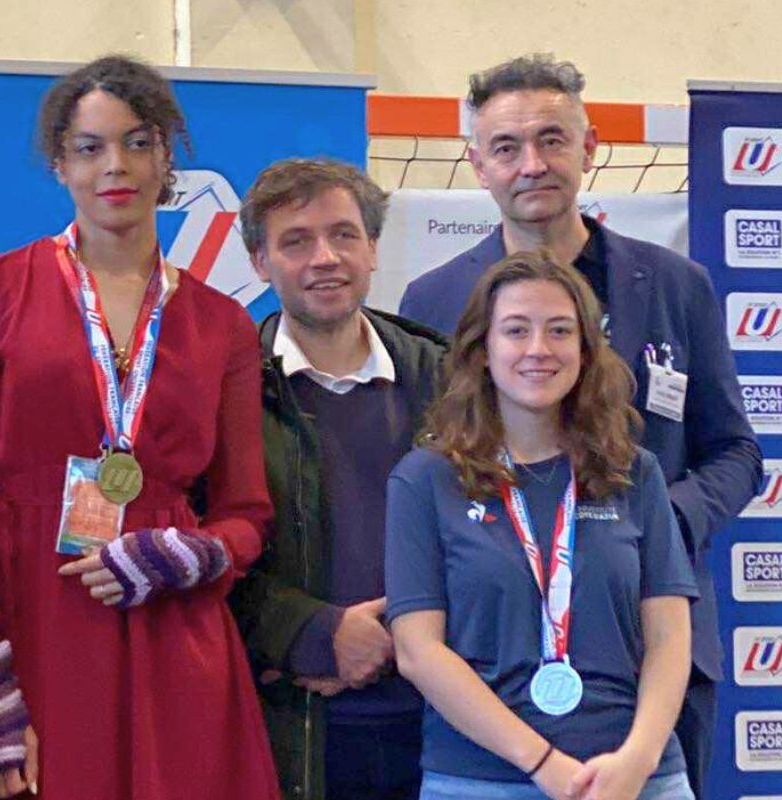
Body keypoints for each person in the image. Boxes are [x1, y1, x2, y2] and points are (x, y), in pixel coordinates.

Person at [397, 54, 761, 796]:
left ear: (589, 148)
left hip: (656, 658)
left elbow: (736, 452)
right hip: (495, 674)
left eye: (552, 139)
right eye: (507, 147)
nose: (532, 164)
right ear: (478, 165)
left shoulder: (676, 285)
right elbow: (435, 470)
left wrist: (654, 522)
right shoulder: (432, 300)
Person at [0, 55, 279, 800]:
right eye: (90, 148)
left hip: (171, 621)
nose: (115, 166)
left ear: (167, 158)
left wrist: (194, 553)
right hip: (37, 615)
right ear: (60, 165)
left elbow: (247, 513)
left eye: (138, 142)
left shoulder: (223, 323)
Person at [387, 250, 696, 800]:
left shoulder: (633, 471)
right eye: (516, 330)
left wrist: (639, 759)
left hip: (636, 778)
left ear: (586, 349)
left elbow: (669, 635)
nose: (538, 349)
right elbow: (418, 652)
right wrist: (542, 762)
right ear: (482, 351)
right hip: (482, 779)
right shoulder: (425, 479)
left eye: (559, 330)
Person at [229, 158, 446, 800]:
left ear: (373, 248)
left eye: (343, 235)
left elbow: (501, 535)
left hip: (447, 723)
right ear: (260, 262)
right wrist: (315, 633)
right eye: (296, 241)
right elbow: (205, 556)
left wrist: (411, 634)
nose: (325, 258)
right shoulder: (226, 392)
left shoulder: (449, 379)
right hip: (298, 730)